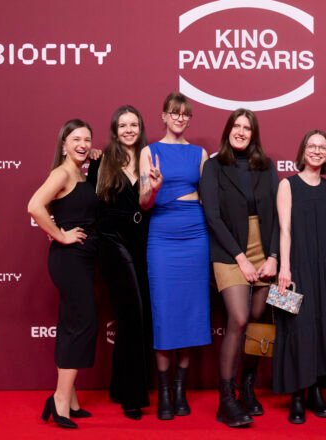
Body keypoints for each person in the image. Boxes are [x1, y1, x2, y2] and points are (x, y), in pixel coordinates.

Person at [200, 108, 279, 427]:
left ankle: (247, 387)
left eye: (247, 127)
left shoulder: (266, 166)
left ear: (254, 134)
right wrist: (241, 258)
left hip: (264, 247)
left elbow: (278, 213)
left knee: (259, 320)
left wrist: (274, 255)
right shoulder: (213, 166)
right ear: (228, 130)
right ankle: (226, 399)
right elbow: (212, 216)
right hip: (229, 250)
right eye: (236, 126)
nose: (241, 132)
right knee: (240, 318)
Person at [139, 92, 211, 420]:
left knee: (190, 312)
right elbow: (144, 204)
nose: (180, 118)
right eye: (174, 113)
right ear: (164, 116)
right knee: (165, 312)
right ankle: (165, 391)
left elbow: (209, 199)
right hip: (162, 235)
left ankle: (181, 390)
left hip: (195, 234)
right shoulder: (149, 152)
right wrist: (154, 188)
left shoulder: (199, 154)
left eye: (185, 114)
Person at [273, 129, 326, 424]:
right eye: (311, 146)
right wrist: (285, 268)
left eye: (322, 147)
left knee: (322, 328)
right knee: (298, 328)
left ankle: (316, 390)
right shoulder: (287, 185)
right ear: (303, 150)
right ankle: (297, 394)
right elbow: (284, 230)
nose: (317, 151)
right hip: (299, 266)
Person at [27, 119, 99, 429]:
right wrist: (59, 234)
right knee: (82, 323)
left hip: (83, 259)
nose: (82, 144)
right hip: (69, 260)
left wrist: (95, 155)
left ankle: (69, 398)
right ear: (64, 144)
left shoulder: (80, 173)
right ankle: (59, 399)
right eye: (76, 139)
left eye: (87, 139)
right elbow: (34, 206)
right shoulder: (62, 173)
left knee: (72, 324)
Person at [86, 105, 152, 420]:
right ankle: (132, 396)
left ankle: (118, 386)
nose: (128, 130)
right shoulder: (102, 161)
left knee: (136, 315)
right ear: (114, 130)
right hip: (112, 243)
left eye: (133, 124)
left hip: (143, 243)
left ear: (141, 128)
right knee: (132, 314)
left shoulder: (149, 158)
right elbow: (87, 203)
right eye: (122, 125)